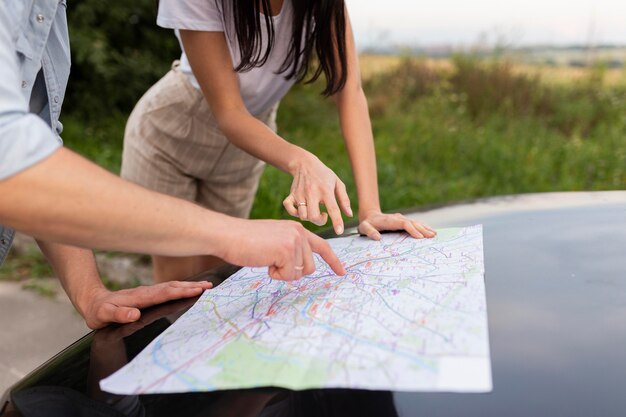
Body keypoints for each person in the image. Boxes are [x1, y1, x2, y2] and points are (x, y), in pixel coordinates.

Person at [0, 2, 345, 330]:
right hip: (170, 137)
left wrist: (89, 292)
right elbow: (12, 159)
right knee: (185, 302)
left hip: (237, 155)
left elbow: (37, 139)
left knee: (208, 296)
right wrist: (232, 233)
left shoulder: (49, 9)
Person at [122, 0, 436, 283]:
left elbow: (349, 90)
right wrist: (302, 161)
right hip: (172, 136)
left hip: (249, 143)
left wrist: (371, 210)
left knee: (215, 275)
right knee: (178, 279)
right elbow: (229, 113)